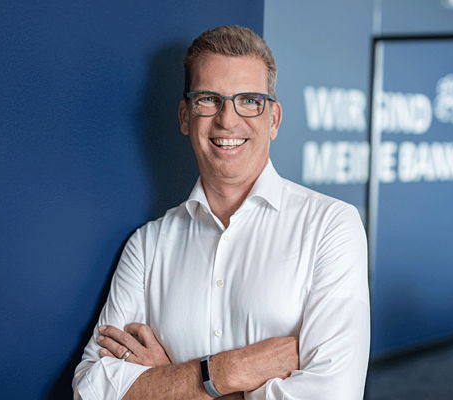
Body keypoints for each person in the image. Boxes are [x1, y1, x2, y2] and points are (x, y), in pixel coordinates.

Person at [72, 25, 370, 400]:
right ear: (185, 116)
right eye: (208, 100)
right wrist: (230, 371)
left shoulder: (331, 226)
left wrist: (168, 380)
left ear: (274, 119)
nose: (227, 120)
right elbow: (90, 388)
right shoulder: (148, 245)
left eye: (249, 100)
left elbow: (332, 394)